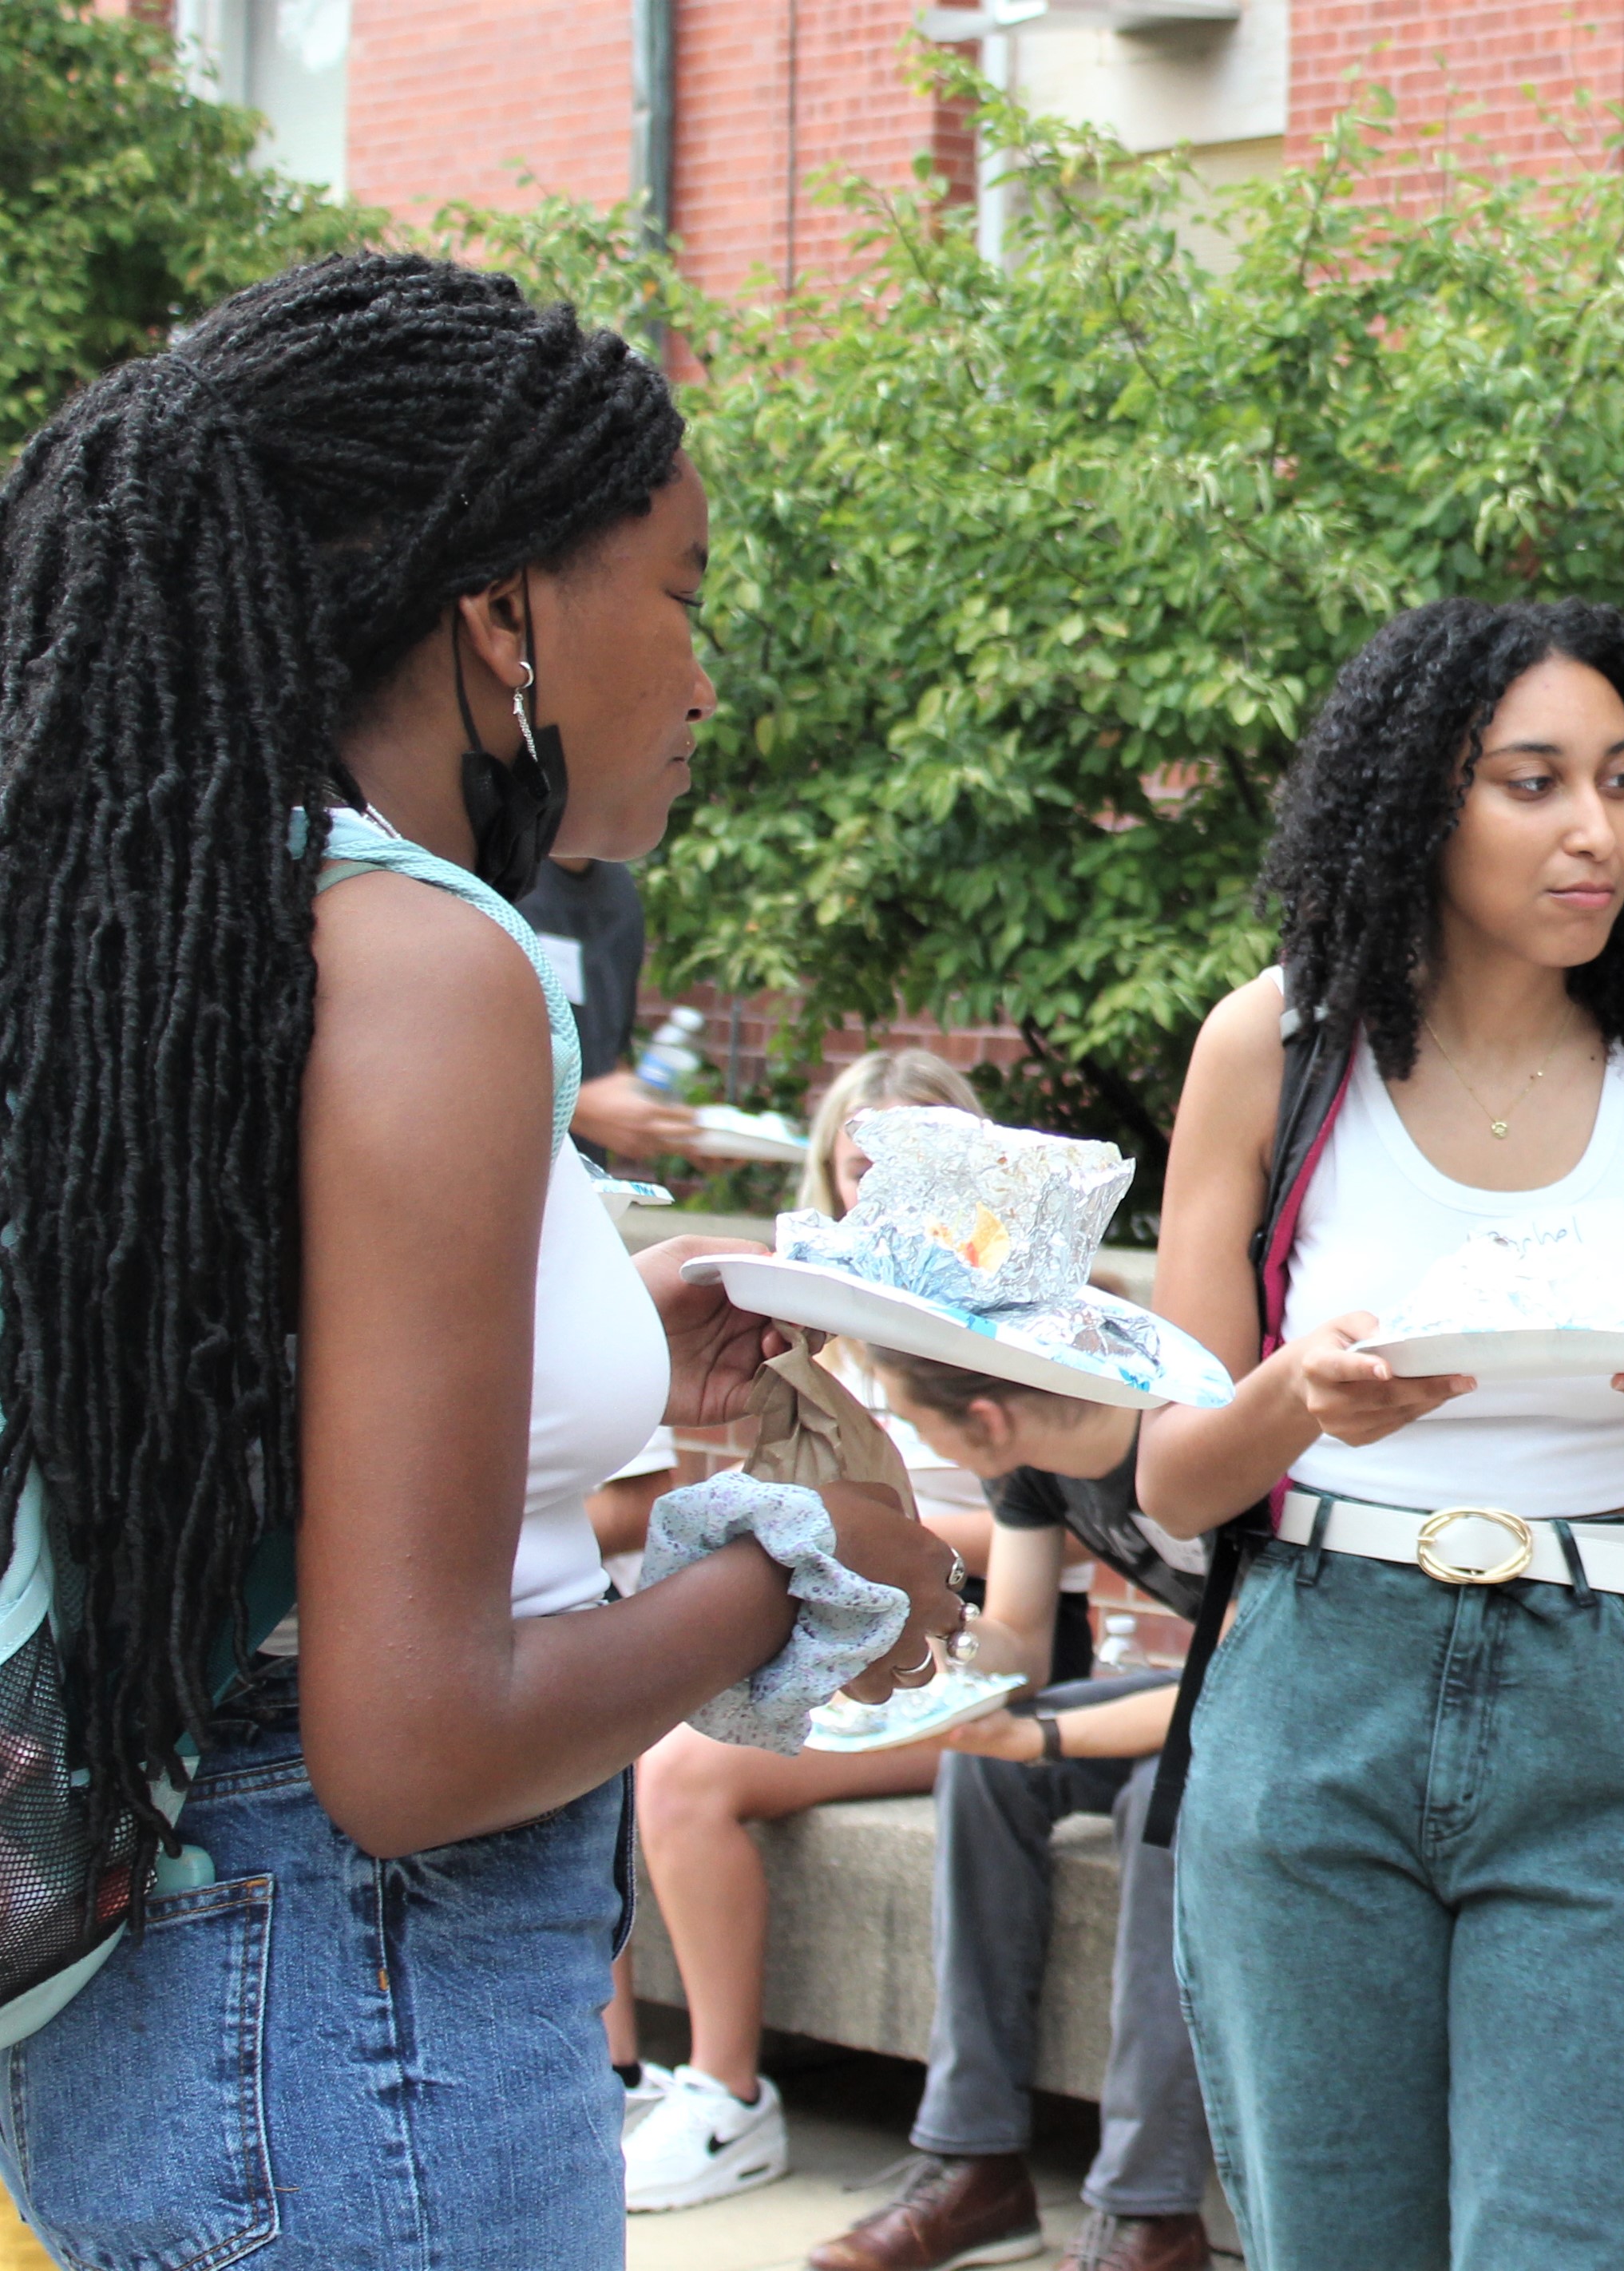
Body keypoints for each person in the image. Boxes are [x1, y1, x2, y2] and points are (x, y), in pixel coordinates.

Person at [0, 252, 963, 2267]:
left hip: (202, 2023)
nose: (705, 677)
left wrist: (602, 1323)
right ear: (503, 609)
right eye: (684, 593)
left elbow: (247, 1362)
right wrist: (802, 1572)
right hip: (359, 2038)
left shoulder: (209, 915)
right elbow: (414, 1741)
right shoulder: (428, 955)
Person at [1131, 597, 1624, 2269]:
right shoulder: (1269, 1046)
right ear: (1418, 802)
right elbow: (1165, 1477)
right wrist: (1295, 1396)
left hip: (1605, 1688)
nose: (1596, 831)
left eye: (1622, 779)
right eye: (1532, 783)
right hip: (1312, 1680)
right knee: (1330, 2241)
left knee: (1586, 2240)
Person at [616, 1046, 1017, 2210]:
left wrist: (897, 1537)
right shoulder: (807, 1323)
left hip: (988, 1666)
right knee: (622, 1745)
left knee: (686, 1776)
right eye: (863, 1163)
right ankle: (614, 2078)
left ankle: (728, 2097)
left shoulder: (1033, 1324)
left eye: (920, 1161)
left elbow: (1088, 1537)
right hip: (851, 1649)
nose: (886, 1187)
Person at [807, 1351, 1218, 2271]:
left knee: (1166, 1796)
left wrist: (1046, 1742)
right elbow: (1021, 1652)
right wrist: (915, 1620)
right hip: (1210, 1691)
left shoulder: (1199, 1442)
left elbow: (1244, 1678)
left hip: (1305, 1704)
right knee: (984, 1770)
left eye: (926, 1425)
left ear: (986, 1419)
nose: (923, 1444)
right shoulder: (1031, 1466)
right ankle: (972, 2167)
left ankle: (1150, 2216)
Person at [520, 851, 703, 1164]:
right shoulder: (493, 873)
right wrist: (578, 1108)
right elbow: (444, 1059)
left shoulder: (620, 890)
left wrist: (668, 1126)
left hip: (577, 1180)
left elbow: (609, 1055)